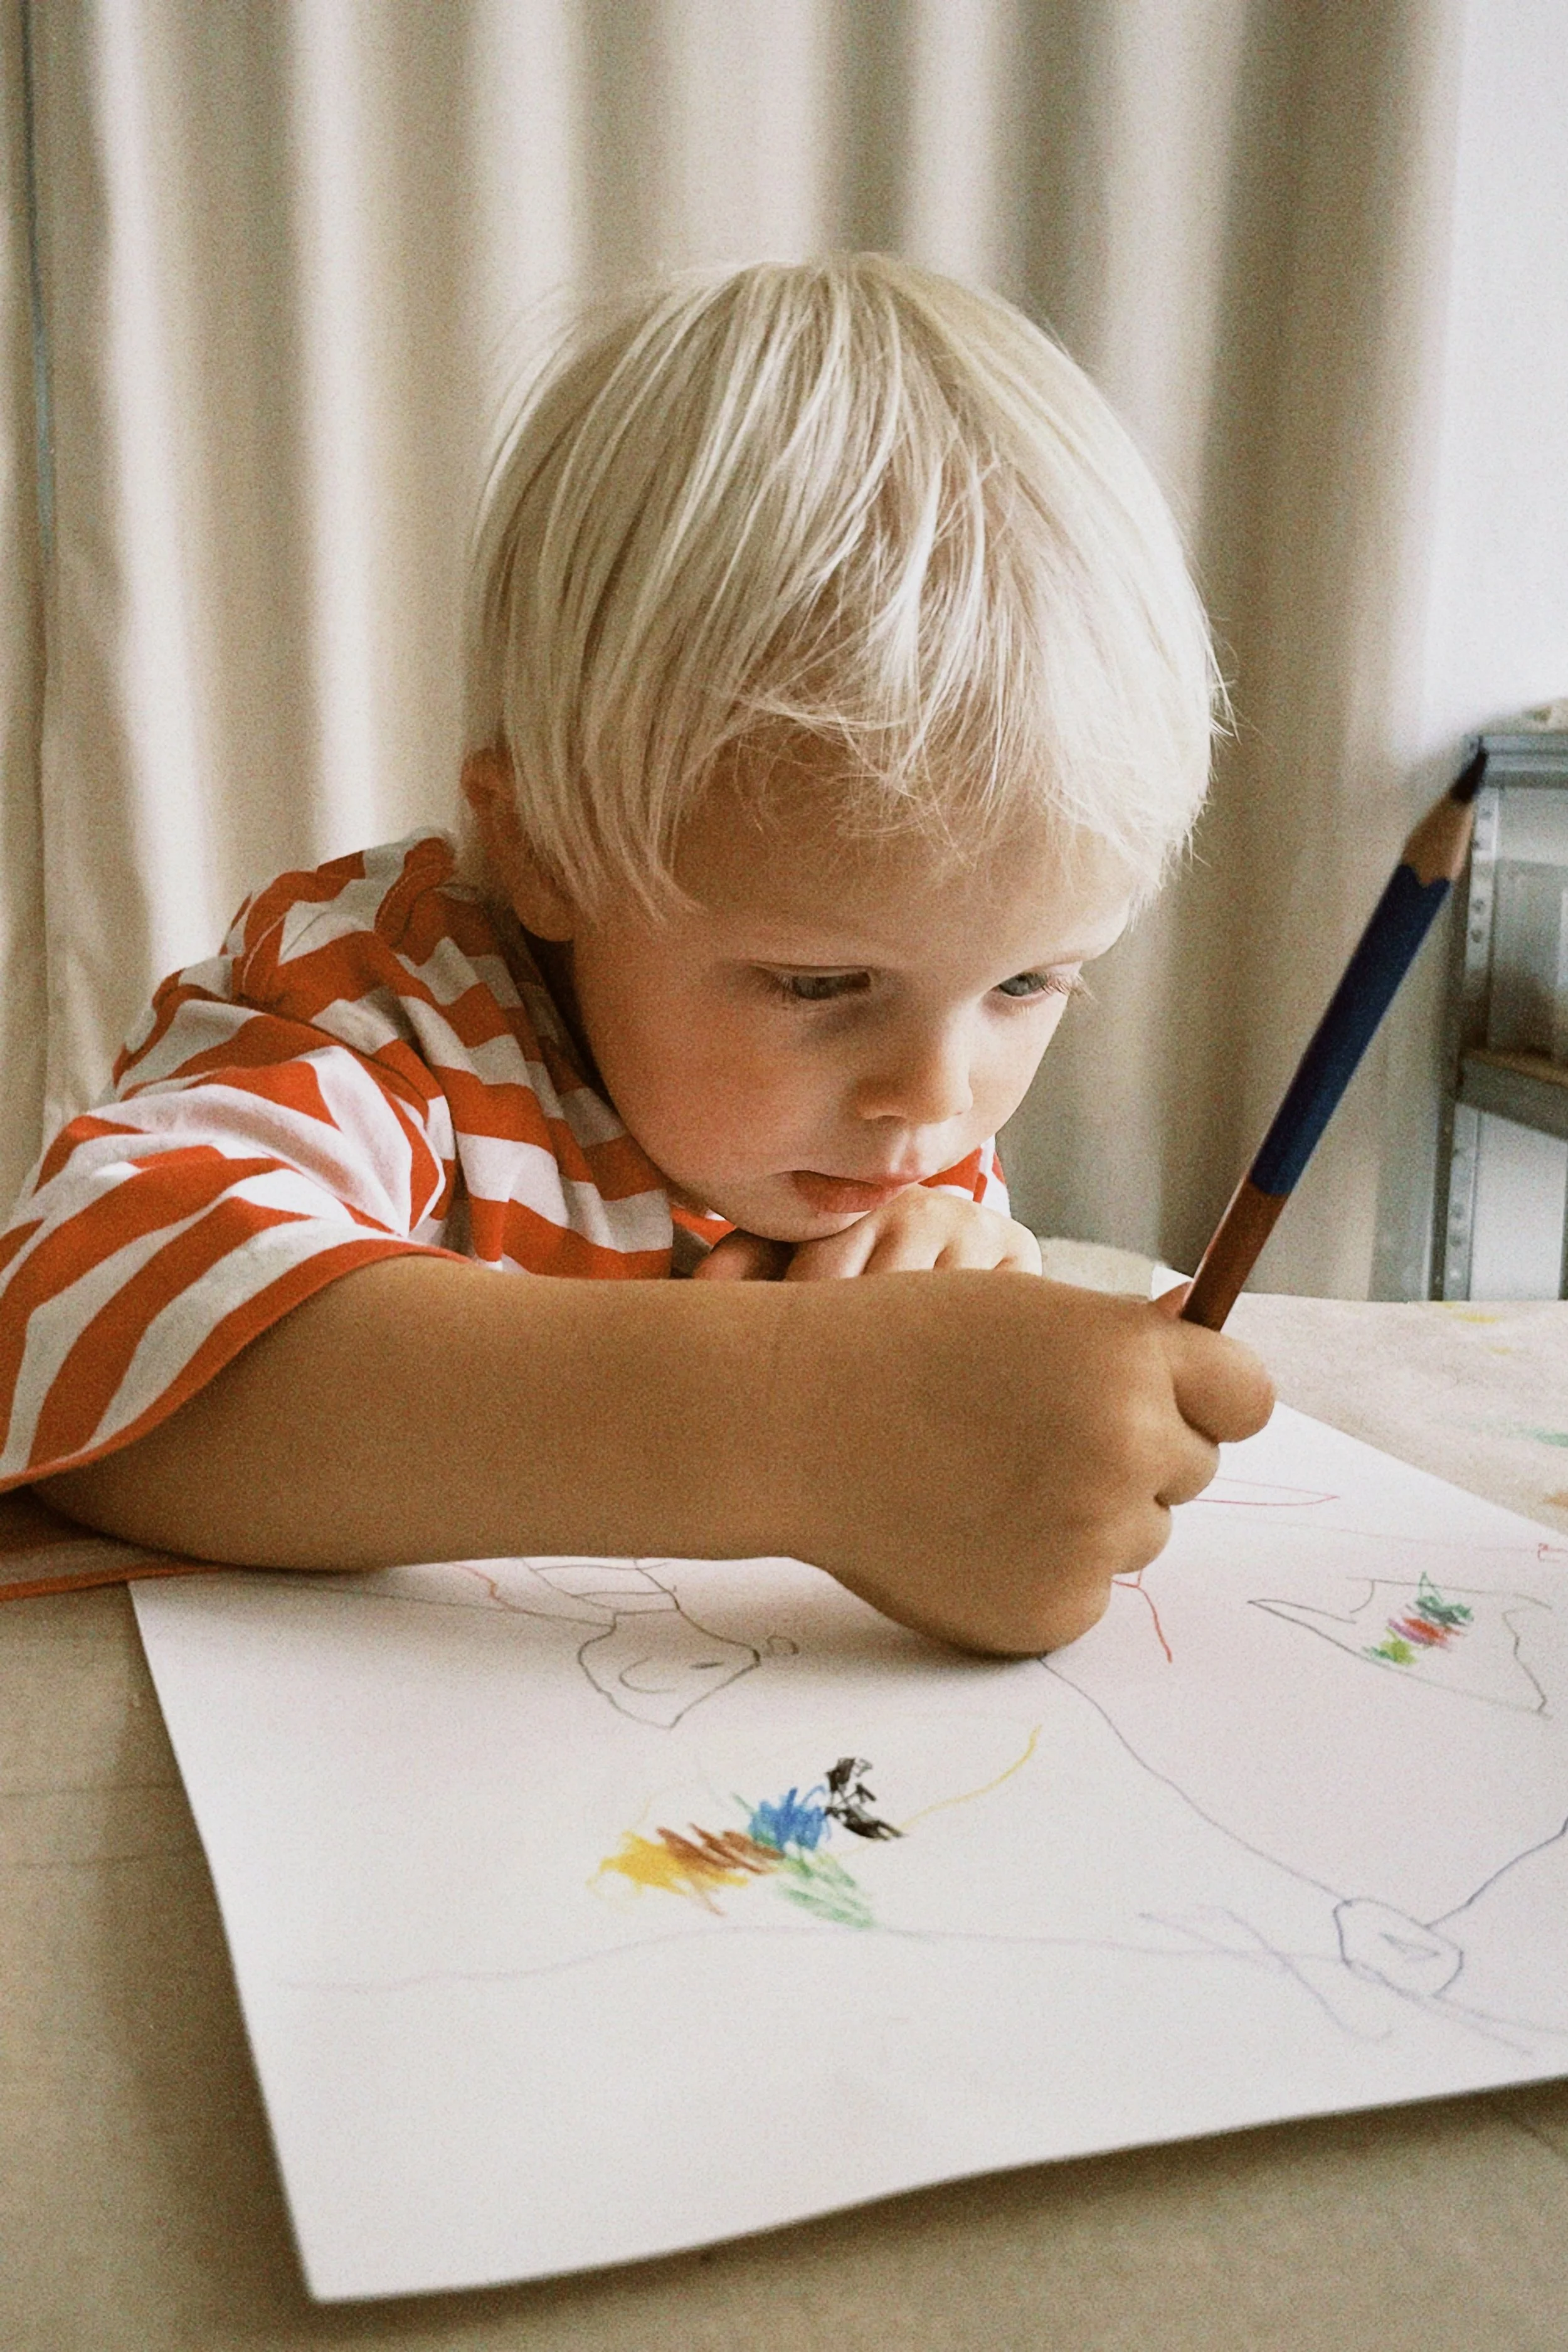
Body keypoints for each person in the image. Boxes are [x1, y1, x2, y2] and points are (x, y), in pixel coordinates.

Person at [0, 256, 1271, 1654]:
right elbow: (77, 1342)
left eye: (1027, 984)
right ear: (546, 845)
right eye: (817, 986)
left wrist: (940, 1333)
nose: (932, 1095)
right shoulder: (377, 1002)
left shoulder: (891, 1141)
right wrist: (813, 1419)